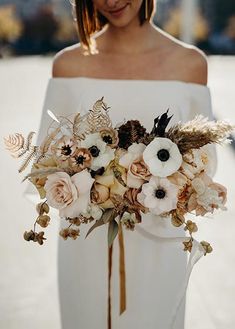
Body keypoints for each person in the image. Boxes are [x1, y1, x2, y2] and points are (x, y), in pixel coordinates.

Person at [32, 1, 215, 328]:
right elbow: (46, 160)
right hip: (86, 246)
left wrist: (164, 186)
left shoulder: (189, 64)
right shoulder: (68, 65)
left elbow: (204, 165)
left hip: (160, 245)